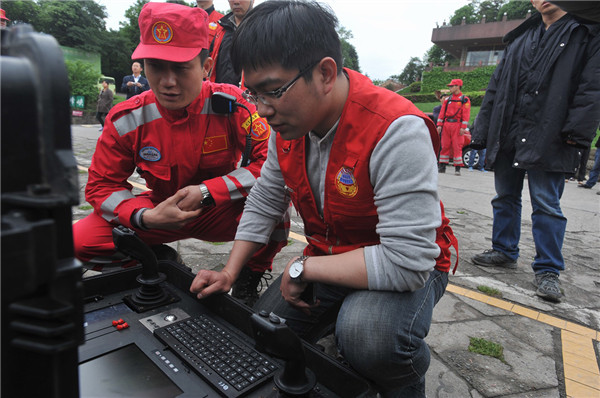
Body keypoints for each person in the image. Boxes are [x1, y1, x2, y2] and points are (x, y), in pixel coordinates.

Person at [190, 1, 458, 396]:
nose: (262, 111)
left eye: (273, 92)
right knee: (266, 330)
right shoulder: (289, 126)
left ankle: (404, 372)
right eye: (254, 95)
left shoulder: (395, 130)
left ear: (325, 73)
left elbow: (407, 262)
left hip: (409, 262)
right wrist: (230, 272)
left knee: (369, 337)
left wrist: (305, 270)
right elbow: (265, 199)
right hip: (334, 257)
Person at [73, 2, 289, 306]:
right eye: (156, 67)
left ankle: (248, 277)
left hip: (217, 210)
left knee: (278, 215)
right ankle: (156, 261)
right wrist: (144, 216)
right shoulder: (126, 118)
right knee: (79, 241)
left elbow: (271, 166)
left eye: (180, 68)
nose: (167, 82)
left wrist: (208, 191)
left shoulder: (235, 104)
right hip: (158, 211)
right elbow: (100, 187)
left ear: (207, 67)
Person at [470, 0, 600, 303]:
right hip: (509, 130)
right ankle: (503, 250)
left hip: (551, 133)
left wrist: (577, 133)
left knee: (546, 204)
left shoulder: (586, 31)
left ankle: (548, 270)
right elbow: (496, 86)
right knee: (504, 196)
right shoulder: (519, 37)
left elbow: (592, 87)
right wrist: (483, 130)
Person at [208, 0, 254, 86]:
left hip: (247, 97)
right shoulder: (220, 29)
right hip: (217, 94)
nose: (236, 2)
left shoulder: (261, 29)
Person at [436, 79, 471, 176]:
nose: (450, 88)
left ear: (457, 86)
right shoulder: (447, 100)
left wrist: (463, 127)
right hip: (447, 125)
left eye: (452, 86)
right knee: (445, 145)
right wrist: (439, 125)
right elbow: (442, 113)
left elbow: (466, 114)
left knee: (457, 146)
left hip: (457, 125)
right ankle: (442, 166)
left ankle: (457, 168)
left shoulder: (465, 100)